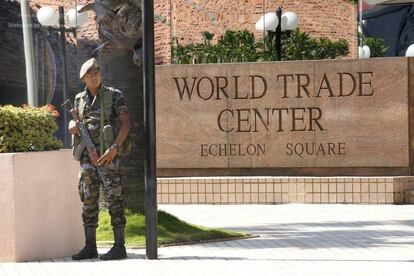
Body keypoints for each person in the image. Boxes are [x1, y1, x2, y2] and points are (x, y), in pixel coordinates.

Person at [69, 58, 131, 261]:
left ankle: (119, 246)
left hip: (108, 157)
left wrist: (114, 149)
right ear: (83, 79)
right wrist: (72, 125)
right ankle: (90, 246)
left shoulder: (114, 96)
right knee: (88, 200)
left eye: (96, 72)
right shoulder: (79, 99)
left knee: (114, 198)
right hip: (87, 159)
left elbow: (125, 124)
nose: (93, 76)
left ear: (101, 74)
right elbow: (76, 122)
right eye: (89, 74)